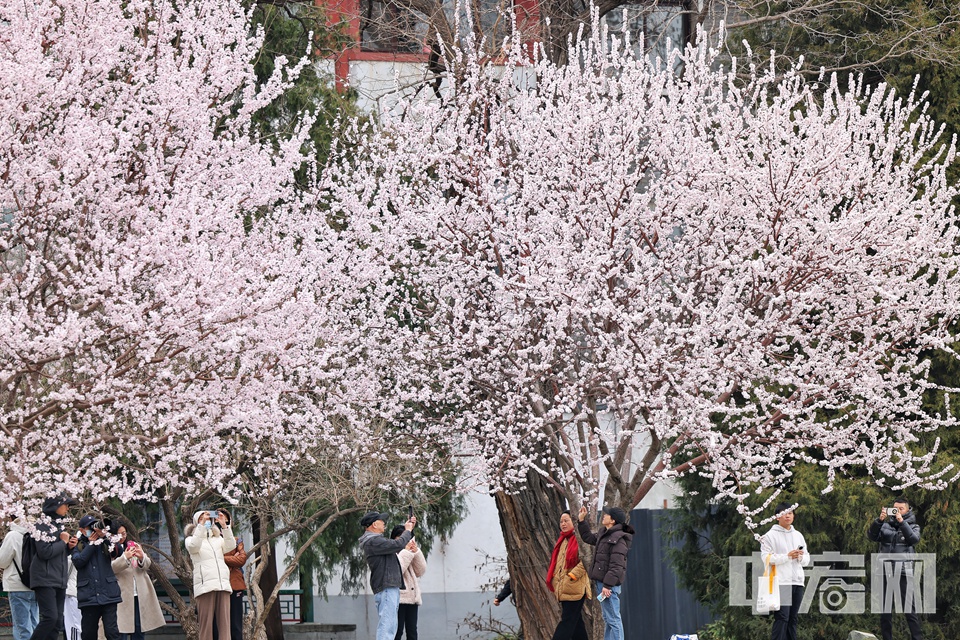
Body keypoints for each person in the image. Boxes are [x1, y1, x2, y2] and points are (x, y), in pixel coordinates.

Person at [868, 497, 922, 640]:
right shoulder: (885, 526)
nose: (897, 512)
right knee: (885, 611)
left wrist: (901, 522)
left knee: (909, 609)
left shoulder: (914, 526)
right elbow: (872, 536)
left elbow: (913, 539)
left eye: (900, 509)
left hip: (903, 572)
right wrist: (879, 520)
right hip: (885, 571)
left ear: (907, 510)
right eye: (894, 509)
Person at [577, 505, 633, 640]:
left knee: (613, 619)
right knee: (608, 618)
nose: (603, 515)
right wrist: (581, 521)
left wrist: (607, 586)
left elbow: (617, 566)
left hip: (608, 585)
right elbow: (588, 538)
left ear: (613, 520)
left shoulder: (618, 539)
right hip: (602, 583)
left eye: (606, 514)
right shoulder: (605, 534)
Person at [358, 511, 416, 640]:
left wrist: (409, 529)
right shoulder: (373, 540)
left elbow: (398, 544)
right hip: (386, 586)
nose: (384, 523)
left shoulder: (375, 541)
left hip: (388, 586)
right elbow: (397, 544)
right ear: (374, 524)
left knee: (390, 624)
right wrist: (407, 530)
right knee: (387, 625)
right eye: (382, 521)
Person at [28, 494, 79, 640]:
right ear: (55, 506)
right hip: (44, 578)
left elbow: (56, 552)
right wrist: (63, 542)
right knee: (50, 618)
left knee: (57, 622)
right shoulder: (41, 525)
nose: (68, 509)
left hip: (59, 578)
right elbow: (44, 552)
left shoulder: (58, 525)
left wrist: (68, 547)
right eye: (66, 505)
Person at [759, 503, 809, 640]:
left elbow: (807, 559)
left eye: (790, 513)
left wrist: (800, 556)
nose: (787, 515)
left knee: (793, 618)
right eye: (784, 513)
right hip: (781, 582)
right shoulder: (769, 536)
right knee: (782, 617)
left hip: (798, 581)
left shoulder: (798, 535)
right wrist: (787, 556)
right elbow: (766, 558)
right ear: (777, 517)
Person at [184, 510, 236, 640]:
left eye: (207, 517)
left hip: (222, 584)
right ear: (196, 522)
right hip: (205, 585)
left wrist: (224, 526)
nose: (206, 520)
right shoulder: (190, 539)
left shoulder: (218, 539)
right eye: (202, 518)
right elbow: (194, 547)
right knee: (206, 626)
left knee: (225, 626)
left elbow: (231, 545)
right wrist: (201, 526)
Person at [71, 514, 121, 640]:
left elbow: (118, 552)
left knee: (112, 632)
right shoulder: (78, 544)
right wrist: (92, 544)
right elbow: (78, 562)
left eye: (94, 526)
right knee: (88, 634)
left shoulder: (104, 541)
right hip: (88, 596)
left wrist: (105, 537)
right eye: (89, 527)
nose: (93, 530)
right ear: (82, 530)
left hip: (108, 593)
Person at [111, 524, 165, 640]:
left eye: (124, 533)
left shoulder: (132, 545)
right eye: (119, 534)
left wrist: (141, 557)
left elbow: (147, 564)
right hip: (122, 594)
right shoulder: (110, 548)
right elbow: (111, 568)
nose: (122, 536)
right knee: (122, 629)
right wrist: (124, 557)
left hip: (139, 593)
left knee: (139, 629)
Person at [547, 511, 591, 640]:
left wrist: (572, 575)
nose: (563, 524)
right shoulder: (563, 540)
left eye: (566, 520)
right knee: (576, 624)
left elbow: (587, 560)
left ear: (574, 522)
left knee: (567, 621)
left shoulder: (580, 538)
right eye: (561, 521)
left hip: (575, 586)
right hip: (564, 587)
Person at [0, 519, 40, 640]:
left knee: (22, 627)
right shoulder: (38, 535)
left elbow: (2, 561)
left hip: (17, 584)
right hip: (35, 584)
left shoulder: (12, 535)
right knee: (35, 624)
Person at [389, 525, 426, 640]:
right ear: (394, 538)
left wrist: (417, 552)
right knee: (397, 630)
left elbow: (420, 571)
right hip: (397, 598)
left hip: (412, 598)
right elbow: (398, 570)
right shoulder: (391, 552)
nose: (403, 540)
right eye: (399, 537)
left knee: (412, 630)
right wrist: (406, 551)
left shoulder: (408, 552)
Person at [219, 510, 248, 640]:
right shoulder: (211, 541)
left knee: (236, 624)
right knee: (218, 623)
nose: (221, 522)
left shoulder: (237, 540)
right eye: (218, 520)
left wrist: (222, 558)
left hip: (235, 584)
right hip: (218, 585)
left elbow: (241, 560)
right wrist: (232, 558)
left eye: (225, 520)